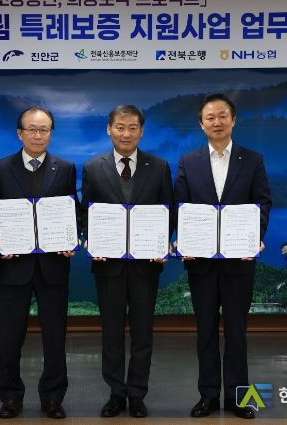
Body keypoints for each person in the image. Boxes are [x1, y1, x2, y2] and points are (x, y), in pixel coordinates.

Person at [174, 93, 272, 420]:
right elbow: (181, 206)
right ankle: (207, 396)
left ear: (233, 120)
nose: (217, 122)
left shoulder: (253, 160)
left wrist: (254, 238)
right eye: (210, 117)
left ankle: (238, 397)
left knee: (237, 332)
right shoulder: (189, 161)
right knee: (204, 332)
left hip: (239, 263)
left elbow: (262, 203)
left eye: (222, 116)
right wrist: (182, 238)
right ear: (201, 124)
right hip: (200, 263)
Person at [0, 106, 78, 420]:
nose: (38, 135)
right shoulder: (0, 168)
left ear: (51, 133)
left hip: (53, 266)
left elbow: (72, 211)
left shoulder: (65, 168)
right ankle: (10, 396)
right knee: (10, 336)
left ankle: (53, 397)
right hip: (14, 265)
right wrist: (1, 241)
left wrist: (71, 239)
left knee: (55, 336)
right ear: (19, 133)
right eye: (32, 129)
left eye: (44, 129)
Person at [81, 105, 174, 418]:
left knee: (143, 333)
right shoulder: (93, 167)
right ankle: (115, 393)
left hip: (146, 264)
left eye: (132, 127)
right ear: (109, 129)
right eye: (120, 127)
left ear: (141, 131)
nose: (126, 133)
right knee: (111, 333)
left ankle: (137, 394)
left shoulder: (159, 166)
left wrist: (163, 242)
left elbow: (168, 210)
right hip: (108, 265)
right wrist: (89, 239)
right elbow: (86, 213)